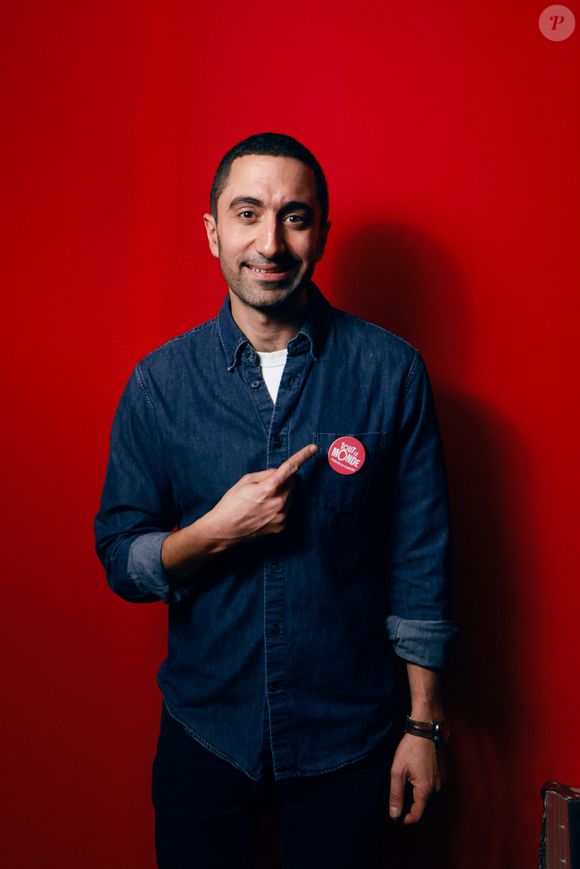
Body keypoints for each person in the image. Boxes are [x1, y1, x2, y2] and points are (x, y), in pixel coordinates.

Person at [95, 132, 457, 869]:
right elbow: (118, 555)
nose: (269, 241)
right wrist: (212, 533)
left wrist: (424, 726)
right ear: (213, 231)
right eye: (248, 212)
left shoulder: (392, 373)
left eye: (294, 216)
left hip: (349, 740)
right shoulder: (160, 385)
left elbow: (421, 559)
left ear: (322, 230)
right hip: (206, 732)